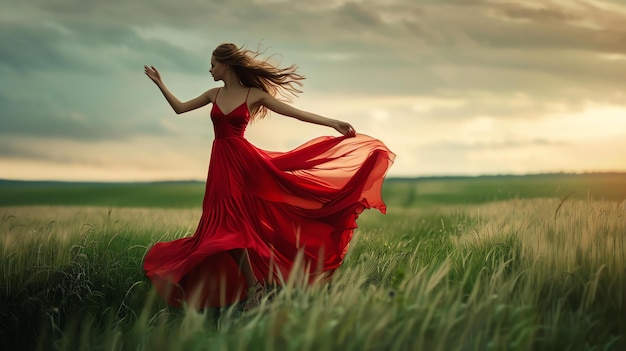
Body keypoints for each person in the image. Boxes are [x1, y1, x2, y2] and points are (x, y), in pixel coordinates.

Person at [143, 43, 395, 310]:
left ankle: (256, 288)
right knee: (222, 229)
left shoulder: (254, 95)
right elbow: (180, 108)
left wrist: (332, 122)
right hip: (220, 165)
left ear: (226, 65)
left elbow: (295, 113)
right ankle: (254, 287)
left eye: (213, 64)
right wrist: (160, 83)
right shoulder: (213, 94)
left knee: (230, 228)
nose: (210, 69)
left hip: (244, 166)